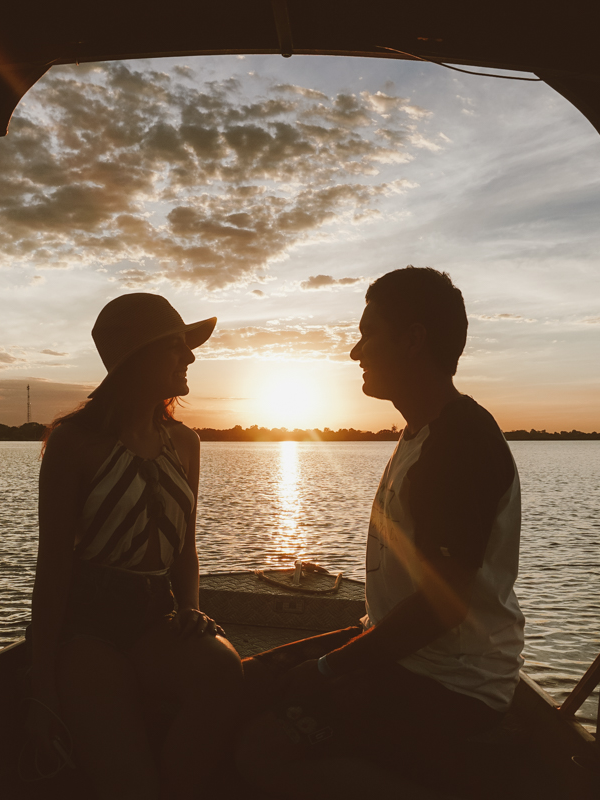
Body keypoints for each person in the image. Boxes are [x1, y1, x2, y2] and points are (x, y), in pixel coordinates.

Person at [237, 266, 525, 799]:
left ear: (412, 340)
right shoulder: (423, 432)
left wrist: (326, 668)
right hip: (407, 658)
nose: (355, 351)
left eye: (368, 333)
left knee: (261, 748)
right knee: (244, 679)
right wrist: (329, 660)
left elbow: (444, 607)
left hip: (452, 684)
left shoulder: (460, 444)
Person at [28, 293, 243, 800]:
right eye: (176, 347)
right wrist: (40, 690)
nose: (190, 357)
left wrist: (190, 608)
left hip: (156, 618)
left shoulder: (185, 442)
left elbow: (185, 551)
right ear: (137, 358)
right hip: (89, 630)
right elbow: (53, 569)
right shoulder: (74, 443)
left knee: (224, 671)